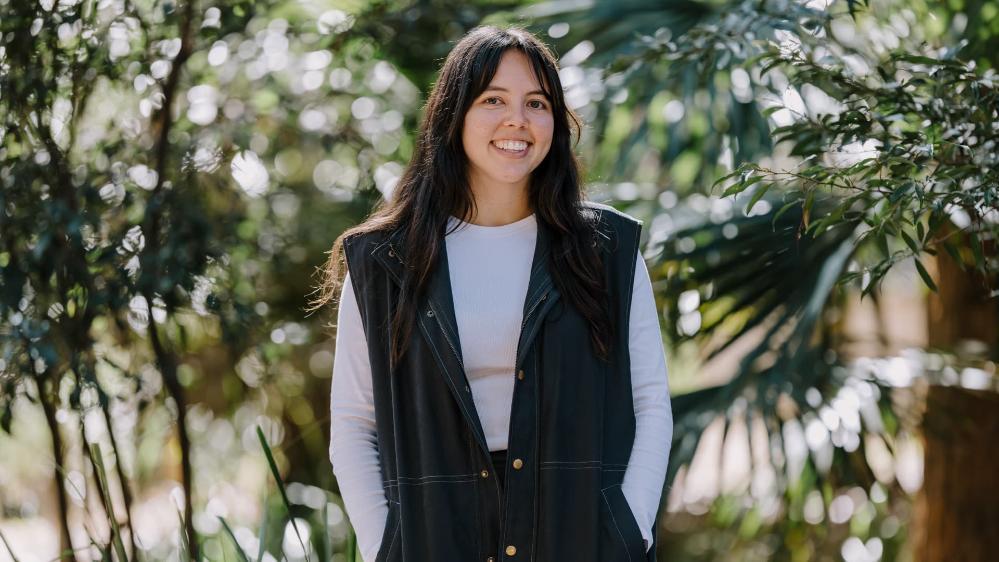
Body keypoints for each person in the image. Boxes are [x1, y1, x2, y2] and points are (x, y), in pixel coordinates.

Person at [314, 25, 673, 562]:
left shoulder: (608, 249)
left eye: (537, 103)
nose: (518, 121)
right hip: (435, 535)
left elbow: (650, 405)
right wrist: (384, 547)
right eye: (493, 100)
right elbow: (353, 427)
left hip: (577, 534)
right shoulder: (385, 261)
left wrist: (629, 529)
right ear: (453, 114)